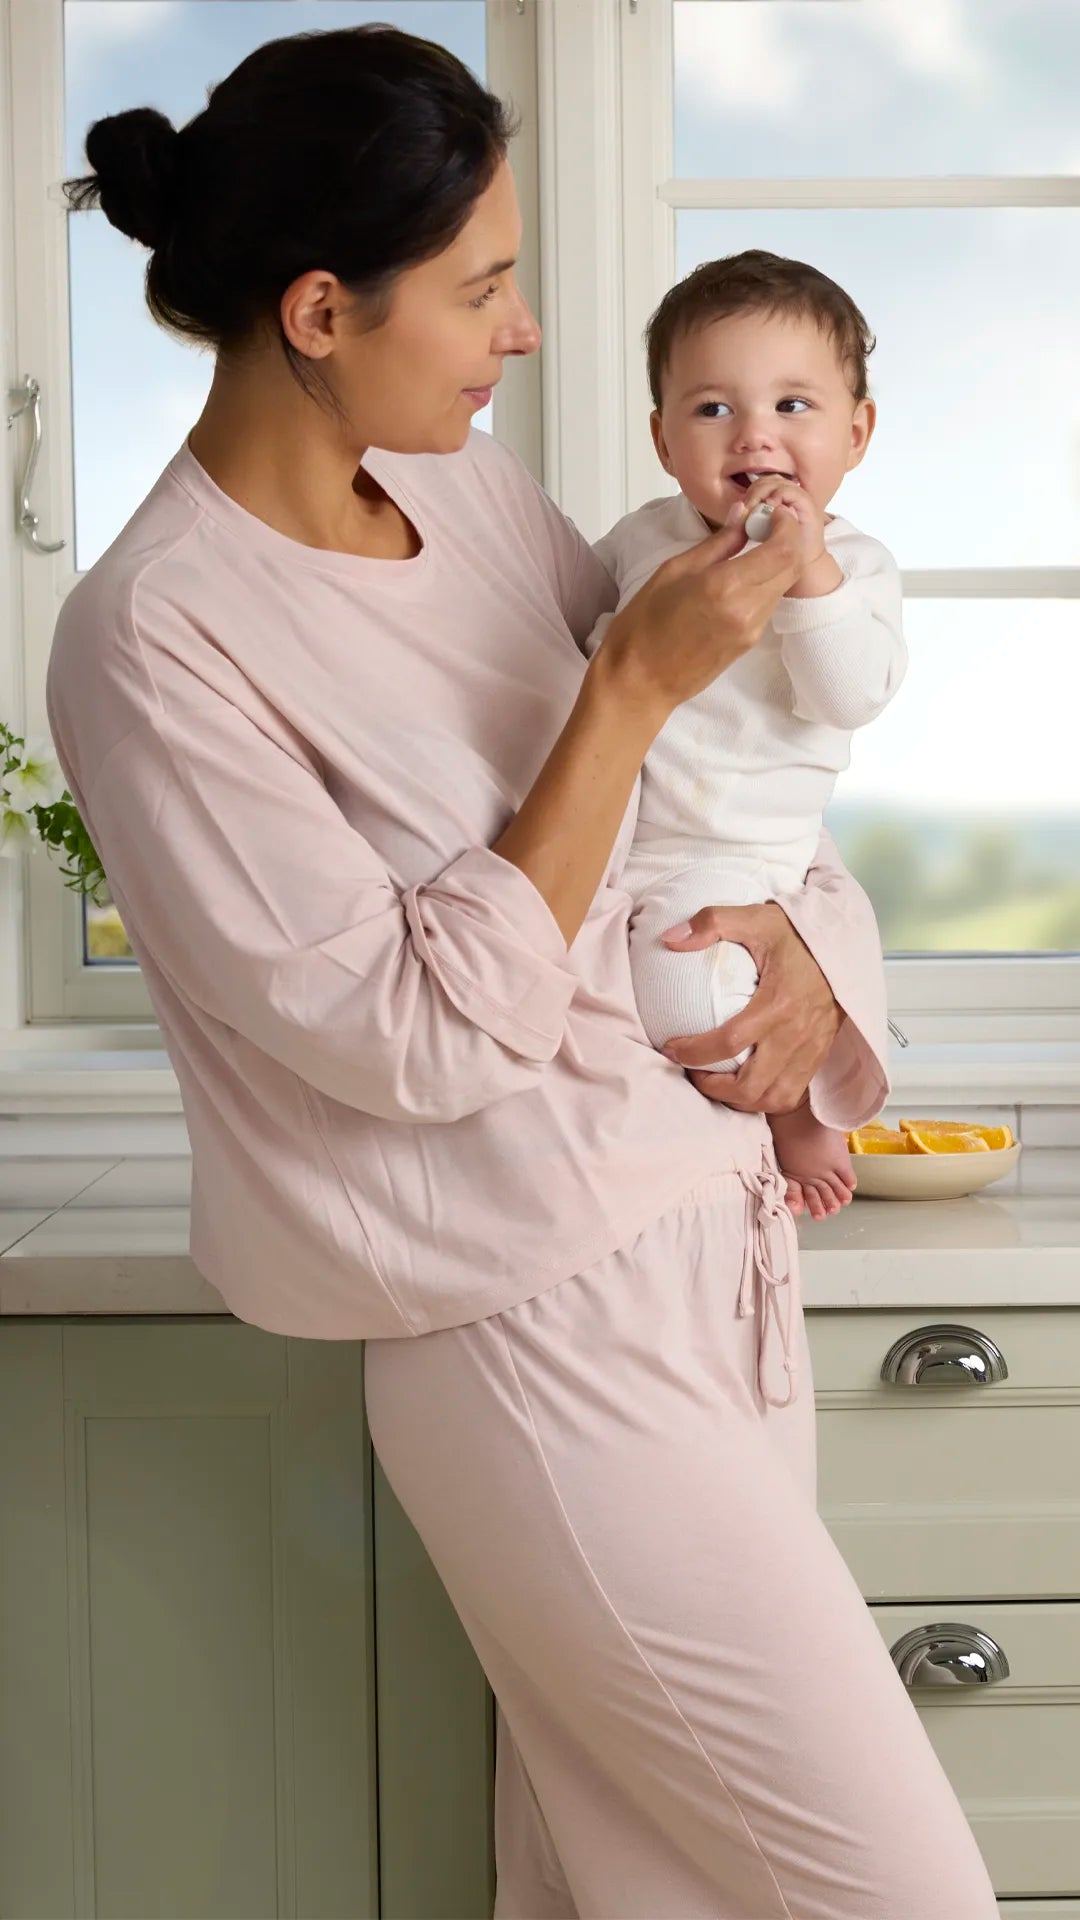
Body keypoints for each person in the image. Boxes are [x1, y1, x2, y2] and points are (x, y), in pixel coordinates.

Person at [47, 25, 998, 1919]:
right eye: (484, 285)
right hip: (534, 1335)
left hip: (710, 1245)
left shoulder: (468, 494)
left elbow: (725, 789)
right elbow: (409, 1036)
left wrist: (815, 955)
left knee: (632, 1887)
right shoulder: (159, 640)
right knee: (899, 1892)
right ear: (322, 308)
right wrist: (626, 691)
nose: (525, 335)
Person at [587, 251, 906, 1222]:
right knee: (633, 997)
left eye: (793, 408)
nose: (754, 436)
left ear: (857, 434)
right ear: (662, 437)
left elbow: (853, 693)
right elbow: (571, 658)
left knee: (695, 1010)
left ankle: (799, 1113)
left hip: (738, 860)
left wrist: (804, 572)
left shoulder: (852, 563)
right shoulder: (638, 544)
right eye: (714, 409)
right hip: (615, 842)